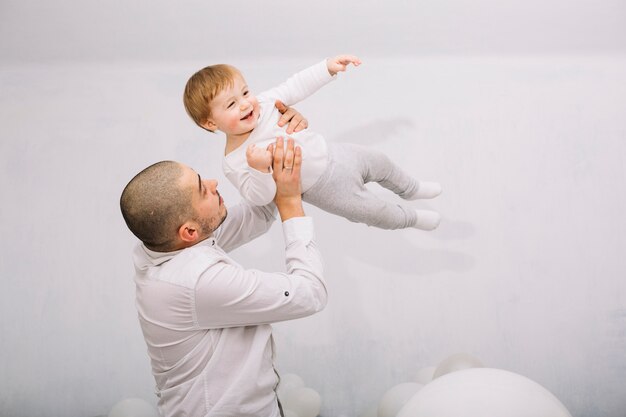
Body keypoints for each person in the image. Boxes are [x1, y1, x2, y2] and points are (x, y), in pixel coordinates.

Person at [120, 136, 327, 417]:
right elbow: (310, 293)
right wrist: (291, 203)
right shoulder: (198, 281)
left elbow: (257, 215)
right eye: (202, 190)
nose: (214, 184)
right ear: (189, 232)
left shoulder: (162, 244)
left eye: (202, 178)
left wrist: (265, 163)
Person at [183, 54, 442, 231]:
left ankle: (411, 188)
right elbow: (260, 198)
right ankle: (412, 218)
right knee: (375, 213)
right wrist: (258, 169)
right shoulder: (236, 160)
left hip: (337, 153)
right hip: (325, 189)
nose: (244, 104)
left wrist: (327, 68)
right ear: (211, 123)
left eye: (245, 92)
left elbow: (295, 86)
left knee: (380, 162)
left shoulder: (264, 103)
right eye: (231, 104)